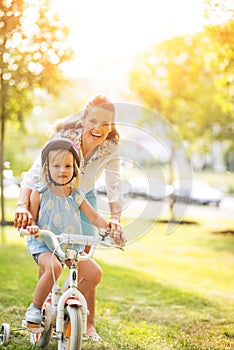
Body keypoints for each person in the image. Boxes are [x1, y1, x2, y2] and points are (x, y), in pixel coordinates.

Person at [15, 94, 124, 339]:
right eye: (93, 121)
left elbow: (114, 183)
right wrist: (23, 205)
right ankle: (45, 305)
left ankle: (85, 321)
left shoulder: (111, 146)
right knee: (51, 253)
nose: (98, 128)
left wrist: (114, 218)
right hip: (51, 195)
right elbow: (35, 174)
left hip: (81, 197)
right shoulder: (63, 139)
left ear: (112, 125)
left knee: (83, 255)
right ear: (83, 120)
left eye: (105, 124)